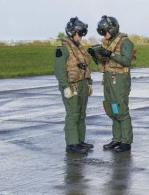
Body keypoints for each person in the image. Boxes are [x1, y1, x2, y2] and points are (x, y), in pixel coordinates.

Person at [91, 15, 135, 152]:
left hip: (120, 80)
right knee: (113, 109)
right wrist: (95, 54)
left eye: (106, 31)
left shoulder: (125, 42)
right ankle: (117, 138)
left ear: (113, 29)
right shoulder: (108, 43)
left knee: (121, 109)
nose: (105, 35)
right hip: (109, 79)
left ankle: (126, 141)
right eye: (102, 33)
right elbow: (103, 63)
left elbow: (127, 61)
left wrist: (110, 54)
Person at [54, 17, 94, 154]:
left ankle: (80, 141)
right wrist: (65, 86)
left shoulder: (79, 47)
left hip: (82, 84)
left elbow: (85, 66)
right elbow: (59, 70)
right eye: (80, 33)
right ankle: (72, 143)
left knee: (82, 114)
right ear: (72, 32)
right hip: (71, 86)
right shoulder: (63, 48)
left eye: (83, 33)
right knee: (73, 114)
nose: (81, 36)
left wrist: (89, 82)